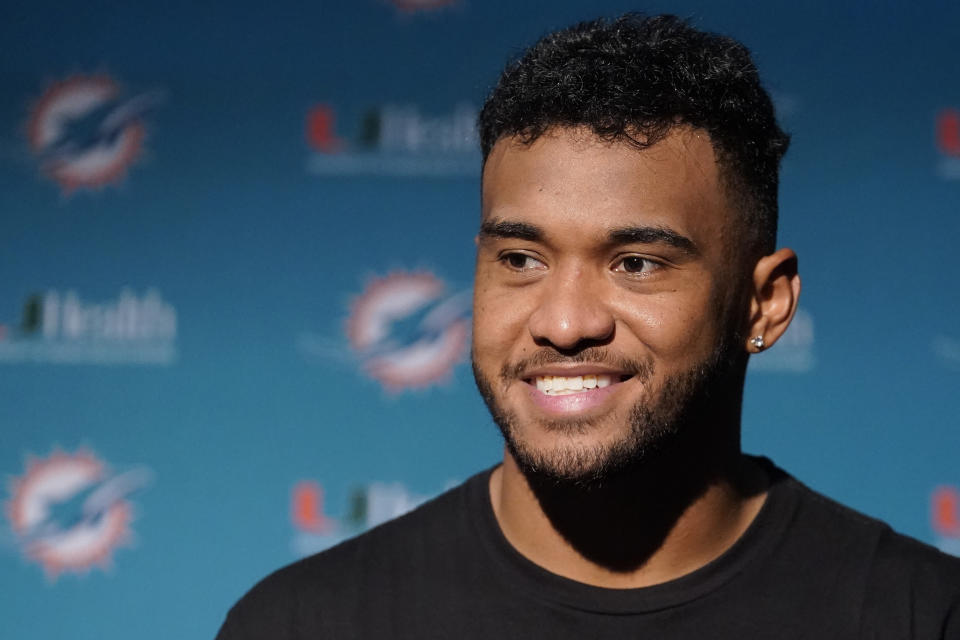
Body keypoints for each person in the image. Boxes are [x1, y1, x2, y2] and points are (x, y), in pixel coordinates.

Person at [217, 14, 960, 639]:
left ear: (763, 304)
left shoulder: (919, 616)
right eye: (521, 257)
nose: (564, 323)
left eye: (636, 264)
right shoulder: (303, 624)